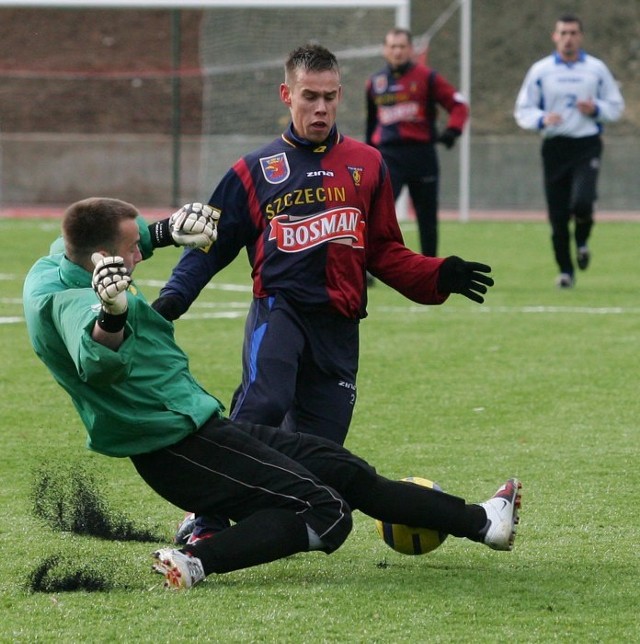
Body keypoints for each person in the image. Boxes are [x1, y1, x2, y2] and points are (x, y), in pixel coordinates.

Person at [23, 197, 522, 590]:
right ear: (102, 258)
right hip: (175, 447)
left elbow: (96, 240)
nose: (139, 256)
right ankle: (196, 560)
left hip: (199, 429)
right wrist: (110, 313)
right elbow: (94, 358)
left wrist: (163, 232)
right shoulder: (69, 299)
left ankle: (482, 522)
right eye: (133, 248)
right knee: (327, 514)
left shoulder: (57, 262)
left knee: (340, 467)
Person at [152, 43, 491, 544]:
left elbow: (383, 251)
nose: (321, 108)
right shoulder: (255, 169)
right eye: (310, 96)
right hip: (281, 311)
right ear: (287, 95)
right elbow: (209, 247)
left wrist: (439, 274)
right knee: (260, 407)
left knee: (314, 452)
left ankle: (259, 519)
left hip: (340, 327)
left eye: (331, 97)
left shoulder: (368, 163)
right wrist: (171, 302)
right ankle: (206, 521)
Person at [514, 13, 624, 288]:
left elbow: (616, 105)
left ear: (581, 37)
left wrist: (596, 109)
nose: (568, 38)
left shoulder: (596, 69)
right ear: (555, 37)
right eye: (563, 33)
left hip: (586, 145)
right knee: (558, 215)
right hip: (555, 147)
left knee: (583, 203)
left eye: (573, 33)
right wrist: (541, 119)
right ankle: (566, 271)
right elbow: (523, 108)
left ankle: (583, 240)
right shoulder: (541, 71)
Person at [365, 27, 469, 258]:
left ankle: (431, 268)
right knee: (377, 214)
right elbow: (371, 124)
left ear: (411, 50)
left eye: (402, 46)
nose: (397, 51)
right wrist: (366, 155)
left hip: (422, 154)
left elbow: (459, 105)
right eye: (392, 47)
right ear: (385, 50)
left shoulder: (427, 78)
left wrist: (453, 130)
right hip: (389, 157)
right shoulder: (374, 82)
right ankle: (369, 265)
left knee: (427, 216)